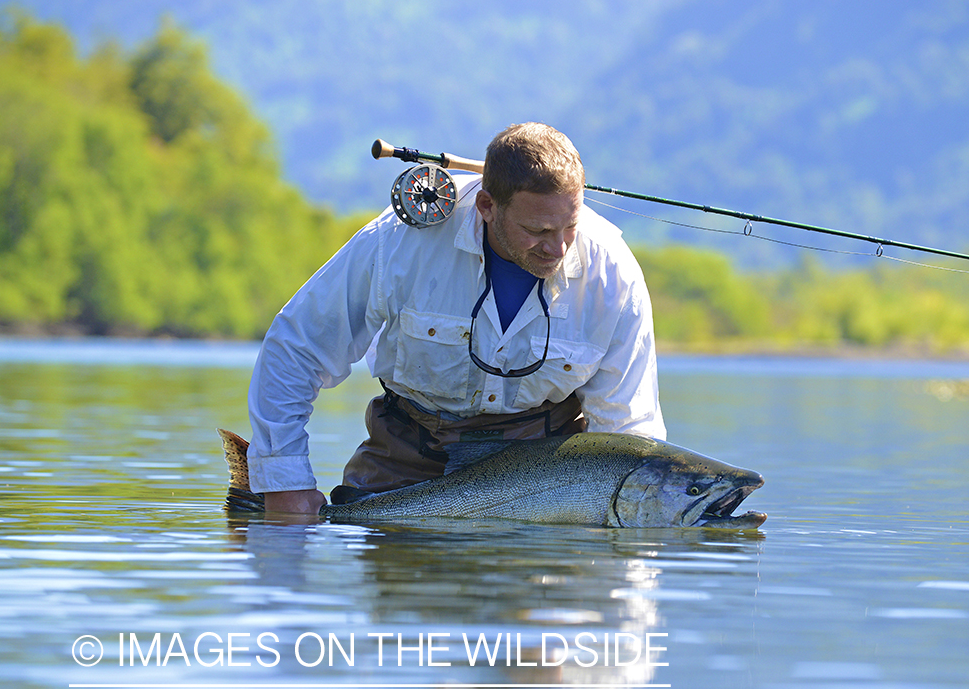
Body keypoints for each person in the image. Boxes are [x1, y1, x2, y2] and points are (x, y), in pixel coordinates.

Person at [246, 122, 666, 514]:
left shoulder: (614, 275)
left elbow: (627, 427)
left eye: (569, 226)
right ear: (486, 205)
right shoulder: (400, 240)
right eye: (537, 231)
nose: (557, 248)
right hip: (407, 457)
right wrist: (284, 483)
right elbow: (298, 348)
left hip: (540, 477)